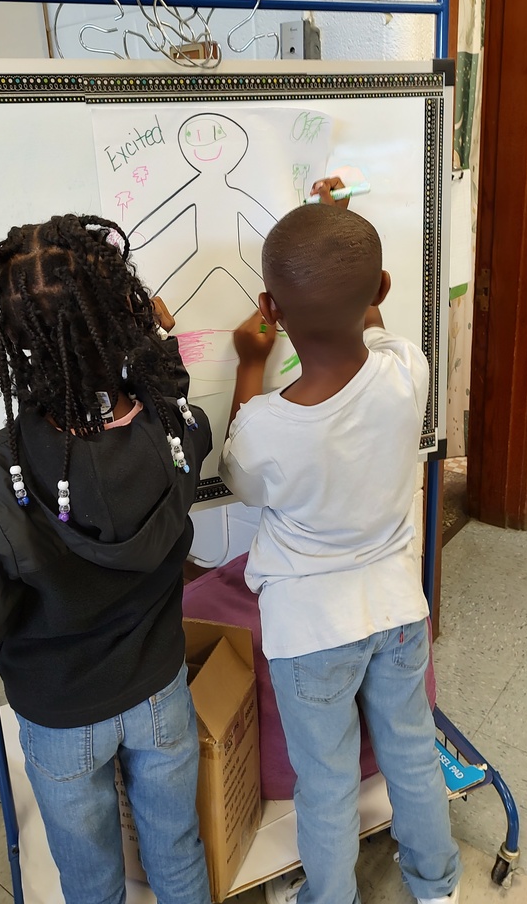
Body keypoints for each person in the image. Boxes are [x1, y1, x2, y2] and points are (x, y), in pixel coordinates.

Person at [0, 214, 212, 904]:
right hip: (159, 690)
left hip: (60, 716)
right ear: (123, 320)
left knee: (89, 876)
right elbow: (184, 409)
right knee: (176, 848)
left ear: (17, 342)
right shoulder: (174, 431)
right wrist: (154, 346)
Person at [218, 180, 461, 904]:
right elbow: (373, 317)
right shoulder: (406, 372)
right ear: (382, 288)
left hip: (309, 630)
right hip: (395, 610)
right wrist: (343, 226)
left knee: (324, 783)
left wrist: (248, 364)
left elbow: (240, 478)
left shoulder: (266, 425)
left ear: (269, 311)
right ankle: (438, 884)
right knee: (412, 752)